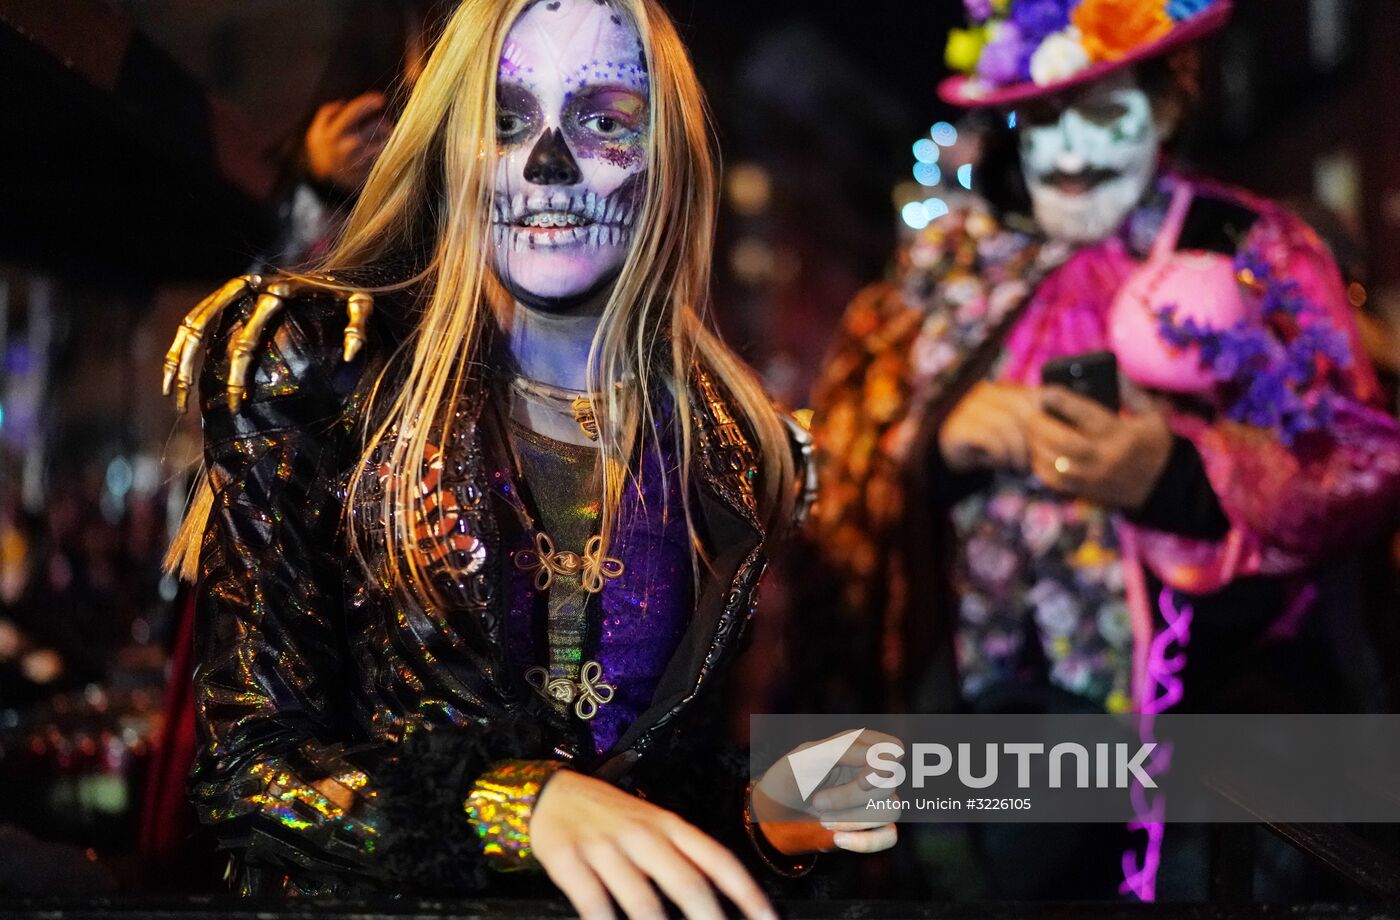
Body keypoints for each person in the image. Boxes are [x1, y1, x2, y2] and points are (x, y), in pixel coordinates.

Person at [160, 0, 896, 910]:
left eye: (601, 121)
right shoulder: (322, 364)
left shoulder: (726, 443)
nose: (546, 165)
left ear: (664, 158)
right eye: (505, 121)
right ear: (452, 147)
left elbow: (638, 797)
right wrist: (514, 809)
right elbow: (250, 770)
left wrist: (771, 811)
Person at [806, 0, 1400, 900]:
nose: (1073, 155)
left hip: (1211, 734)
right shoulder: (954, 261)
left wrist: (1180, 477)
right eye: (1046, 119)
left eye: (1107, 113)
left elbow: (1358, 462)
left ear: (1165, 109)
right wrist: (939, 436)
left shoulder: (1255, 249)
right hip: (978, 722)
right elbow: (847, 443)